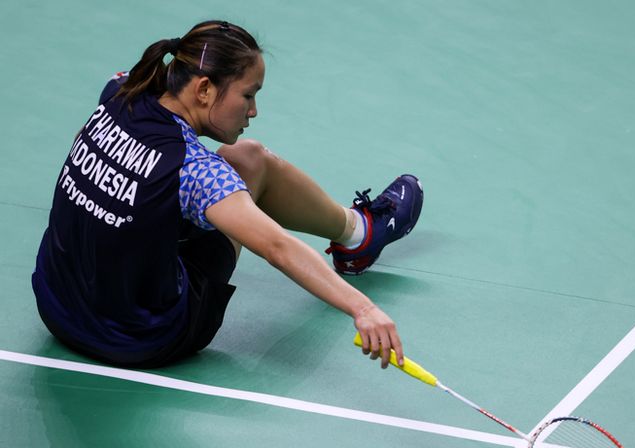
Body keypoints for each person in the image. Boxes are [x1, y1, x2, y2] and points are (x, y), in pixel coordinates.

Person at [32, 20, 423, 370]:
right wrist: (363, 308)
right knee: (249, 160)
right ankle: (360, 234)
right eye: (248, 95)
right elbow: (276, 246)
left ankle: (355, 232)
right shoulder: (196, 171)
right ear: (203, 89)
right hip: (142, 339)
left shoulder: (120, 92)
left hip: (58, 309)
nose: (253, 111)